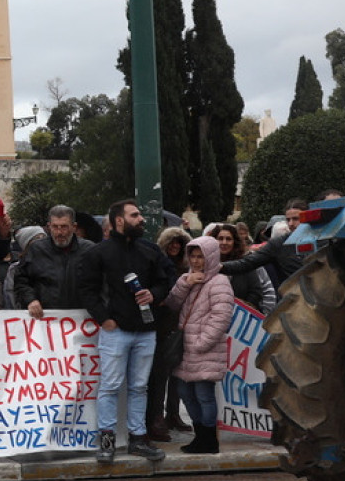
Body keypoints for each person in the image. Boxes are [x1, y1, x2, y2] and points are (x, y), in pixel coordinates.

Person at [77, 199, 173, 464]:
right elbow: (86, 288)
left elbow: (165, 281)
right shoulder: (99, 253)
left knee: (140, 387)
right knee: (109, 386)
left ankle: (138, 439)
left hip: (146, 330)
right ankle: (106, 443)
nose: (141, 219)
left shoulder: (149, 250)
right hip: (115, 331)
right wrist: (104, 319)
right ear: (119, 220)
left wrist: (153, 294)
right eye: (135, 215)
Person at [164, 235, 235, 455]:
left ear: (210, 257)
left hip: (204, 349)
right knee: (185, 392)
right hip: (185, 349)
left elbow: (221, 317)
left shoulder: (219, 282)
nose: (195, 261)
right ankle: (200, 436)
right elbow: (172, 303)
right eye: (192, 256)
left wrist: (202, 342)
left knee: (204, 395)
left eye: (200, 257)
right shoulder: (188, 279)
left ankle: (209, 439)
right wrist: (185, 283)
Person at [146, 226, 191, 442]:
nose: (175, 247)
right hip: (161, 325)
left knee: (177, 374)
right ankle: (157, 417)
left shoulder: (188, 268)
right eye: (171, 242)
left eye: (179, 244)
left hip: (181, 325)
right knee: (159, 375)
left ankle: (173, 413)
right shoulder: (157, 265)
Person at [13, 205, 95, 317]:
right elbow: (21, 280)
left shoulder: (89, 250)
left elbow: (102, 284)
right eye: (55, 227)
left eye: (64, 227)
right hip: (45, 319)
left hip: (82, 318)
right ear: (49, 227)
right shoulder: (36, 250)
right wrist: (31, 300)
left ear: (74, 227)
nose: (59, 232)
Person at [221, 198, 307, 291]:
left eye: (296, 219)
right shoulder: (279, 244)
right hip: (292, 297)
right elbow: (248, 263)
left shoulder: (318, 241)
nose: (291, 224)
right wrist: (221, 267)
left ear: (307, 217)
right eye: (288, 220)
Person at [209, 223, 275, 314]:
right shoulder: (207, 263)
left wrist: (242, 307)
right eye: (220, 238)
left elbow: (256, 291)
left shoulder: (245, 263)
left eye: (228, 239)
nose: (224, 242)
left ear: (235, 242)